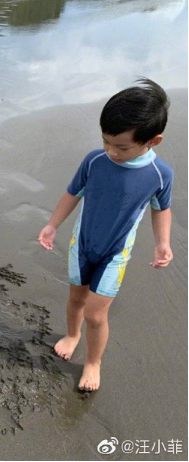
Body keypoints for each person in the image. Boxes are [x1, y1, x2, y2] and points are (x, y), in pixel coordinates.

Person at [38, 79, 175, 392]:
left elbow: (161, 209)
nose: (112, 152)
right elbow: (73, 192)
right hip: (82, 244)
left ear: (153, 141)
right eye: (106, 142)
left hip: (115, 253)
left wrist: (162, 243)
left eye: (122, 147)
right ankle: (72, 335)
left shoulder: (159, 174)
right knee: (75, 299)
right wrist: (52, 224)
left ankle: (93, 361)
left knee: (95, 314)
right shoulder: (95, 160)